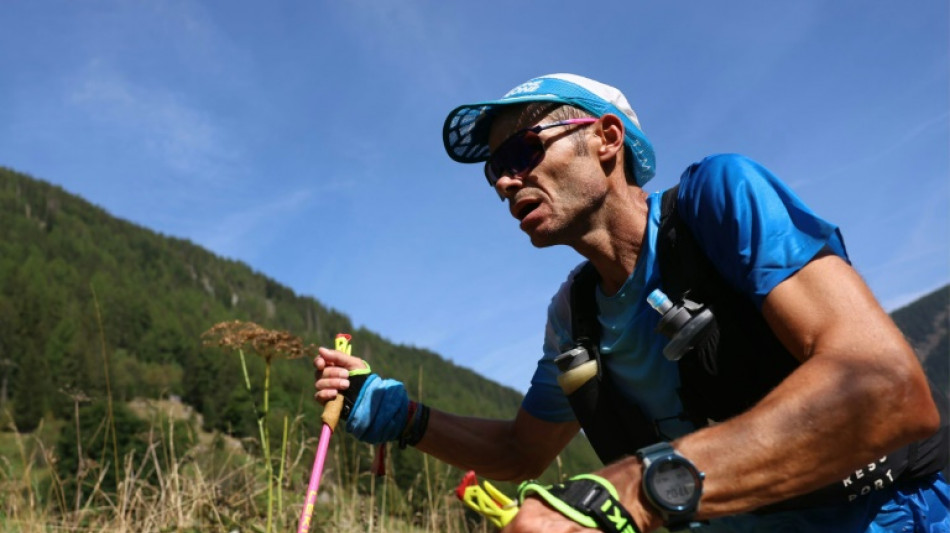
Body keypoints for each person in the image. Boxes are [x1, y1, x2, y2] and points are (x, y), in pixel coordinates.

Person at [314, 73, 948, 532]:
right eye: (494, 174)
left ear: (607, 139)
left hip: (891, 515)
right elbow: (520, 453)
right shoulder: (573, 318)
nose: (506, 181)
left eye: (520, 152)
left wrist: (631, 492)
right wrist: (405, 418)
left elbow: (888, 389)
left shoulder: (716, 202)